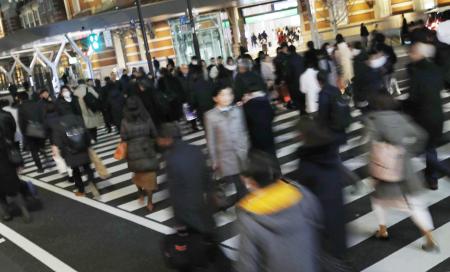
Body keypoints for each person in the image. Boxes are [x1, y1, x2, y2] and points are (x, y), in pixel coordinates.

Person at [366, 94, 438, 251]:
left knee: (378, 201)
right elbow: (421, 136)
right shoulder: (402, 118)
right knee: (415, 204)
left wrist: (372, 165)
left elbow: (367, 146)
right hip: (404, 168)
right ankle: (429, 238)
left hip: (383, 171)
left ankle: (383, 230)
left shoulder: (373, 120)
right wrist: (410, 151)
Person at [157, 123, 231, 272]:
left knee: (195, 252)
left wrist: (178, 221)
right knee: (211, 244)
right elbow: (207, 178)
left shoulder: (171, 159)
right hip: (205, 208)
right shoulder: (195, 150)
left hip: (188, 215)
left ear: (167, 139)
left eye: (160, 138)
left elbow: (174, 193)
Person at [237, 151, 321, 272]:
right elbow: (317, 220)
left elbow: (247, 265)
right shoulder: (299, 193)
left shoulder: (249, 218)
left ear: (251, 183)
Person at [294, 117, 347, 260]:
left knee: (326, 257)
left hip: (320, 216)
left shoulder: (307, 162)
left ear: (303, 134)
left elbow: (303, 194)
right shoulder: (330, 150)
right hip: (336, 207)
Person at [404, 42, 449, 190]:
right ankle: (432, 178)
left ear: (418, 54)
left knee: (425, 149)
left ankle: (443, 172)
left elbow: (413, 99)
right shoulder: (436, 69)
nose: (410, 55)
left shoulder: (417, 73)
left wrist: (403, 110)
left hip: (424, 118)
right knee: (431, 148)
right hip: (437, 115)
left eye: (412, 53)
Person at [205, 85, 249, 204]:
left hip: (240, 152)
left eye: (229, 94)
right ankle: (240, 200)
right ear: (215, 98)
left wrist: (245, 147)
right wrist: (214, 160)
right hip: (225, 155)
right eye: (223, 94)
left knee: (241, 180)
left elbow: (243, 130)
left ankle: (243, 199)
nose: (227, 97)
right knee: (235, 180)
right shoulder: (210, 115)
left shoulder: (237, 110)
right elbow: (211, 140)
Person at [121, 97, 159, 211]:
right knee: (150, 177)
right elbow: (154, 133)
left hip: (133, 151)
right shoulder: (146, 118)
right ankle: (150, 203)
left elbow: (124, 137)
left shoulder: (124, 121)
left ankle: (140, 193)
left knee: (138, 174)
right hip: (147, 149)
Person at [234, 58, 276, 159]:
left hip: (251, 114)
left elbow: (237, 95)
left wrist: (240, 100)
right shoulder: (256, 75)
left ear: (241, 67)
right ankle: (276, 173)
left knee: (257, 147)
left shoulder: (239, 78)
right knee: (270, 147)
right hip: (265, 111)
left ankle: (262, 171)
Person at [52, 101, 95, 197]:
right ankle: (92, 182)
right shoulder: (78, 118)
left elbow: (58, 142)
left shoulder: (58, 124)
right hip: (82, 147)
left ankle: (81, 190)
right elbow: (86, 132)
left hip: (70, 151)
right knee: (87, 167)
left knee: (75, 170)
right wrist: (88, 144)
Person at [0, 107, 31, 223]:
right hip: (6, 155)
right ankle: (24, 210)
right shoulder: (6, 115)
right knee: (13, 185)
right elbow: (13, 130)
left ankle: (6, 213)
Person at [17, 92, 48, 173]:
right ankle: (41, 149)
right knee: (39, 144)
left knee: (33, 151)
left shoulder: (20, 107)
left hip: (29, 130)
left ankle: (40, 168)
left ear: (20, 99)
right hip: (39, 127)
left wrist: (23, 132)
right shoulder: (36, 104)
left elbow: (21, 121)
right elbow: (42, 115)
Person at [288, 45, 306, 113]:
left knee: (297, 98)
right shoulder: (300, 57)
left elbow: (289, 73)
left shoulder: (289, 60)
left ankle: (302, 111)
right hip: (303, 80)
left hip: (294, 82)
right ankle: (305, 110)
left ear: (289, 51)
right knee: (303, 96)